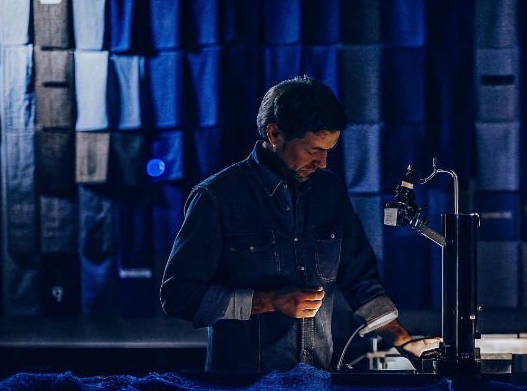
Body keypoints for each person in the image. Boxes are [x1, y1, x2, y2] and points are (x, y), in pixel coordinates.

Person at [160, 75, 437, 371]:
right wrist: (269, 301)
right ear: (274, 133)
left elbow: (360, 278)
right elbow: (178, 295)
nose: (323, 162)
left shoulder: (329, 190)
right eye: (313, 149)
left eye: (329, 149)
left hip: (317, 383)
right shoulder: (216, 198)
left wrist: (403, 340)